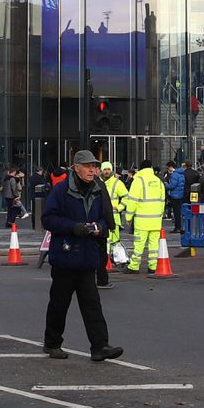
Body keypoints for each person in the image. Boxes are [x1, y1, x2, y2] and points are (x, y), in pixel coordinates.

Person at [41, 150, 123, 362]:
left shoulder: (97, 190)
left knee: (92, 305)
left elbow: (106, 219)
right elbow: (48, 219)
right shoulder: (61, 191)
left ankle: (100, 346)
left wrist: (100, 228)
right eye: (87, 166)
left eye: (94, 166)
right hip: (66, 256)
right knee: (59, 304)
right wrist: (74, 227)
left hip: (87, 258)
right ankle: (52, 343)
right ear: (76, 168)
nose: (92, 170)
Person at [121, 159, 165, 274]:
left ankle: (134, 266)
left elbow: (132, 201)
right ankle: (153, 266)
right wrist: (159, 215)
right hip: (156, 220)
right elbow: (162, 201)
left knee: (139, 244)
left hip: (142, 220)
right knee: (154, 245)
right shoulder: (158, 181)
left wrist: (128, 217)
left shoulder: (138, 181)